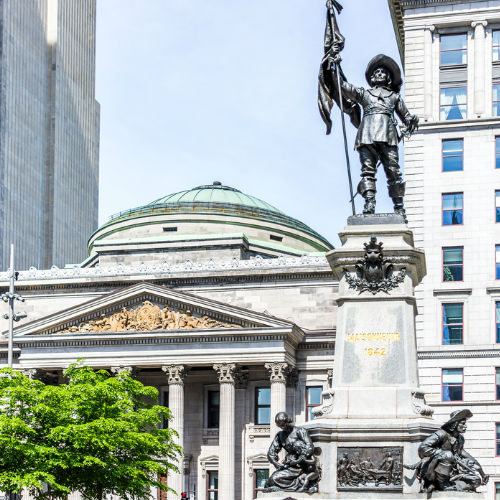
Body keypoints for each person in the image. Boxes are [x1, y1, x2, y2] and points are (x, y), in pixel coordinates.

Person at [332, 53, 418, 218]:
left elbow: (406, 117)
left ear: (388, 78)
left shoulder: (394, 97)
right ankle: (369, 203)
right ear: (372, 78)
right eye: (376, 72)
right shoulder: (364, 94)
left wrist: (412, 120)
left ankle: (399, 207)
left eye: (383, 72)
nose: (379, 74)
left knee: (393, 172)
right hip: (367, 135)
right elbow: (343, 87)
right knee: (367, 171)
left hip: (388, 135)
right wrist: (335, 66)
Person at [406, 409, 488, 492]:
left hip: (453, 472)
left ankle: (452, 487)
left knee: (476, 481)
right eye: (463, 423)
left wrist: (482, 474)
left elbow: (468, 457)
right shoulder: (441, 433)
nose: (465, 426)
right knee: (448, 455)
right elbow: (423, 448)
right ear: (455, 424)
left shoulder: (460, 439)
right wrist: (441, 454)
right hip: (436, 469)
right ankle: (441, 484)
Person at [265, 412, 320, 493]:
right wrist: (276, 463)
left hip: (301, 466)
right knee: (270, 481)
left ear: (288, 421)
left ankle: (298, 484)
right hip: (290, 465)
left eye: (283, 425)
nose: (282, 428)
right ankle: (294, 485)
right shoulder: (280, 435)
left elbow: (309, 447)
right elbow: (271, 452)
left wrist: (300, 458)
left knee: (275, 479)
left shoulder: (300, 431)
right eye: (280, 426)